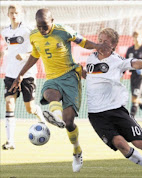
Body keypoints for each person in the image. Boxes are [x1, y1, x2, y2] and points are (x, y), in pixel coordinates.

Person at [9, 8, 110, 172]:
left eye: (45, 26)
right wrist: (20, 74)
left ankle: (77, 151)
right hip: (52, 78)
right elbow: (35, 55)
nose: (42, 30)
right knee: (49, 94)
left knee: (69, 122)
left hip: (70, 76)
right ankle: (56, 116)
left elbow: (82, 41)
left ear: (52, 21)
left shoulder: (63, 30)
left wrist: (98, 46)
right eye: (39, 26)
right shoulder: (34, 35)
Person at [85, 28, 142, 175]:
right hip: (96, 114)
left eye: (105, 42)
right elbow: (91, 77)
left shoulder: (117, 61)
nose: (101, 44)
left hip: (116, 110)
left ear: (113, 45)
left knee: (141, 143)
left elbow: (134, 63)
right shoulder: (90, 58)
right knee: (120, 144)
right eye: (100, 41)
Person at [1, 4, 46, 150]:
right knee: (9, 103)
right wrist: (5, 53)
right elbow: (10, 47)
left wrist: (25, 55)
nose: (14, 15)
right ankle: (10, 141)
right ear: (7, 14)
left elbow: (37, 49)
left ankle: (40, 116)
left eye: (16, 13)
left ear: (21, 14)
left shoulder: (28, 30)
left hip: (28, 75)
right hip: (10, 74)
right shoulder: (5, 32)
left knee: (29, 108)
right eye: (11, 12)